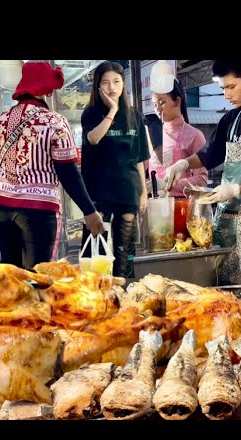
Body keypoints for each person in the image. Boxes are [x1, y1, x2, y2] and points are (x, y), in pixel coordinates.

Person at [166, 60, 241, 285]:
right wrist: (184, 164)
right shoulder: (230, 119)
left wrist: (237, 188)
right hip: (226, 216)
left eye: (231, 87)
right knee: (222, 284)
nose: (226, 94)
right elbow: (209, 154)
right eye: (223, 88)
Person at [0, 61, 103, 270]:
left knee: (11, 274)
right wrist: (89, 211)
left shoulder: (0, 120)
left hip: (0, 205)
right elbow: (67, 171)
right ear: (45, 90)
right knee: (36, 276)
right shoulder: (54, 121)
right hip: (37, 209)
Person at [80, 61, 150, 278]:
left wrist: (144, 192)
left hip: (127, 190)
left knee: (125, 253)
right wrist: (112, 111)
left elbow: (139, 158)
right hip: (98, 192)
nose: (112, 87)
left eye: (117, 82)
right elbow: (93, 138)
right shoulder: (90, 113)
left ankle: (125, 297)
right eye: (106, 82)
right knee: (96, 254)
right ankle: (95, 302)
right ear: (98, 86)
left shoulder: (135, 116)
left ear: (123, 85)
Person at [150, 78, 208, 197]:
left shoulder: (194, 135)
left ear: (177, 101)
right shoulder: (150, 135)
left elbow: (202, 181)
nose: (158, 109)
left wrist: (165, 185)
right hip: (153, 205)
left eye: (162, 103)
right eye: (155, 105)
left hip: (180, 206)